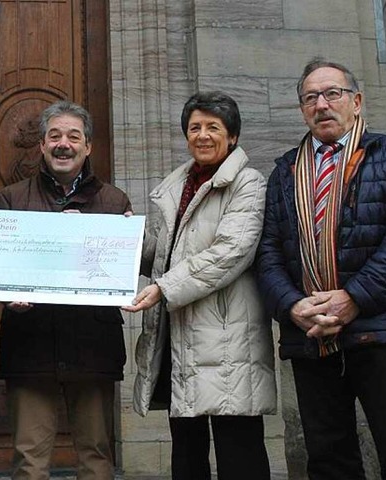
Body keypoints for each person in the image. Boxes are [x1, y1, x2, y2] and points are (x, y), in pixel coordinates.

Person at [256, 59, 386, 479]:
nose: (322, 104)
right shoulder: (285, 171)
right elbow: (267, 251)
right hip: (311, 336)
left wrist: (354, 298)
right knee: (328, 459)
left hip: (381, 330)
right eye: (311, 98)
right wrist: (293, 307)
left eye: (332, 93)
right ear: (302, 110)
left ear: (356, 101)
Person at [124, 92, 275, 480]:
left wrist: (162, 289)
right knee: (187, 455)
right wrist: (118, 239)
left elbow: (230, 253)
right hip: (180, 336)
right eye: (195, 128)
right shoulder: (176, 186)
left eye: (213, 127)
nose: (202, 135)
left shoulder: (248, 183)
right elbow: (158, 255)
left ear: (233, 137)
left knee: (239, 454)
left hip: (228, 341)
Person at [0, 100, 132, 480]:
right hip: (31, 343)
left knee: (96, 455)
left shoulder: (114, 201)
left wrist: (96, 238)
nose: (63, 144)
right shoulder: (11, 198)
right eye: (54, 136)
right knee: (29, 460)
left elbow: (122, 271)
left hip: (93, 344)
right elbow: (0, 265)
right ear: (41, 145)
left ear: (88, 147)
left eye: (74, 136)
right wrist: (9, 295)